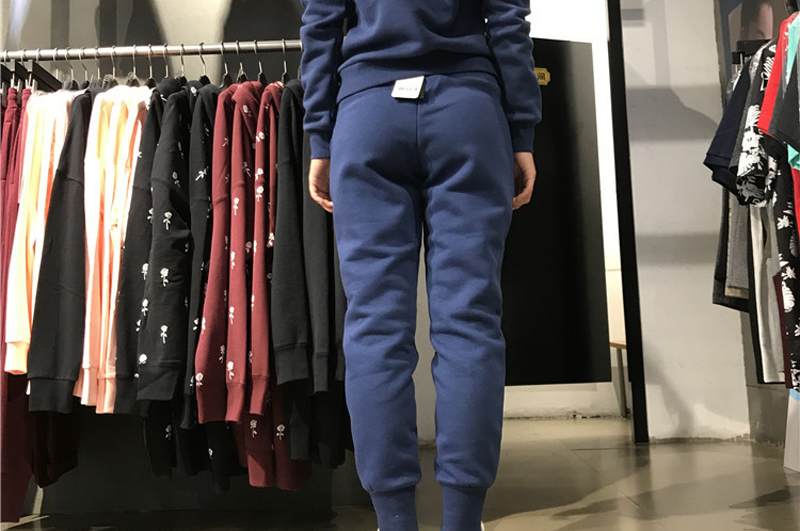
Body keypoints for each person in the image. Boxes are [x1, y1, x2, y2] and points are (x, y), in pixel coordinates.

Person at [300, 1, 542, 530]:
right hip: (467, 111)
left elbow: (320, 24)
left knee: (374, 327)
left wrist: (320, 134)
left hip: (367, 113)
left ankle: (394, 520)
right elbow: (508, 21)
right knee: (469, 323)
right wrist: (521, 128)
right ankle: (463, 520)